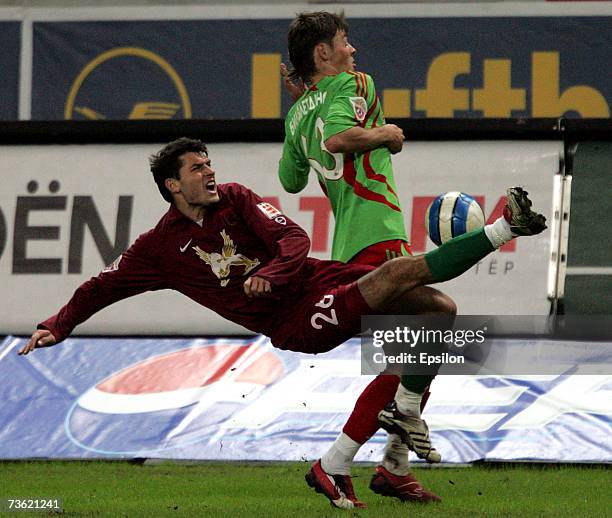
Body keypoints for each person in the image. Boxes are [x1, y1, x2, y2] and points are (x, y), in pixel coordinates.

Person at [19, 138, 546, 510]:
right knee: (392, 278)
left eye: (209, 163)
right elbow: (102, 286)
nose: (209, 172)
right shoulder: (158, 249)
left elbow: (292, 240)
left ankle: (346, 455)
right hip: (296, 321)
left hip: (315, 277)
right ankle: (505, 227)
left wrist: (272, 270)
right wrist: (58, 324)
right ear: (171, 184)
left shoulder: (238, 199)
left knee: (438, 311)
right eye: (197, 168)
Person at [278, 11, 453, 505]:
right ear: (323, 54)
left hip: (348, 247)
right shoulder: (355, 84)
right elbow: (338, 139)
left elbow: (292, 180)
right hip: (378, 238)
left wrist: (302, 114)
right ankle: (335, 462)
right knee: (438, 322)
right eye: (344, 41)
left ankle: (393, 467)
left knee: (417, 353)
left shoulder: (296, 113)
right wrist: (387, 133)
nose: (353, 50)